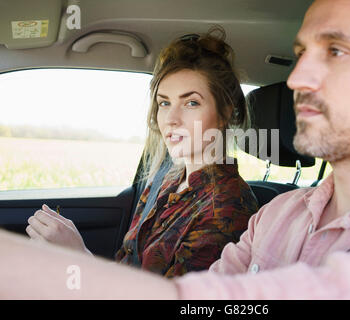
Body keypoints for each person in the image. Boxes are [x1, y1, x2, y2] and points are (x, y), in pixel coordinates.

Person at [0, 0, 350, 299]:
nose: (295, 79)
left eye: (336, 51)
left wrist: (71, 265)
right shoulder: (277, 215)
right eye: (301, 54)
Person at [23, 27, 259, 277]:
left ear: (224, 113)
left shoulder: (228, 208)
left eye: (191, 103)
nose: (171, 118)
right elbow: (127, 264)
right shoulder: (167, 180)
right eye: (164, 103)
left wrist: (80, 258)